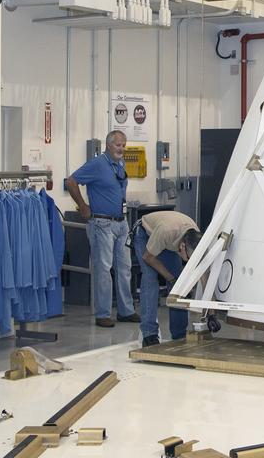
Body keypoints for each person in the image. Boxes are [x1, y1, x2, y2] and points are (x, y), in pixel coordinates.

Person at [64, 131, 137, 328]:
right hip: (102, 224)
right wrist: (83, 206)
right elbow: (71, 181)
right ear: (108, 145)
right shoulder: (97, 164)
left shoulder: (120, 164)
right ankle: (103, 313)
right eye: (118, 145)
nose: (121, 148)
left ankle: (126, 311)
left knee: (125, 268)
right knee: (104, 269)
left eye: (124, 145)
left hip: (121, 223)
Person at [135, 209, 201, 346]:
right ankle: (149, 334)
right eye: (188, 259)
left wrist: (211, 313)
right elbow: (148, 257)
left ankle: (179, 335)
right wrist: (170, 278)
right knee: (150, 278)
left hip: (168, 241)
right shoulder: (166, 231)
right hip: (146, 234)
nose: (188, 263)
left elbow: (205, 275)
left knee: (179, 285)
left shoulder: (196, 239)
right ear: (182, 247)